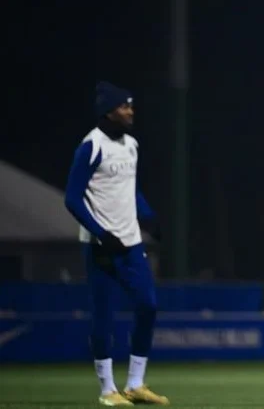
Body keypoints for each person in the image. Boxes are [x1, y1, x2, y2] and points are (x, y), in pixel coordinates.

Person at [64, 81, 168, 406]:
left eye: (130, 106)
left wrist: (149, 217)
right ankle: (108, 389)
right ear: (109, 112)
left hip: (132, 243)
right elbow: (72, 198)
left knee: (148, 306)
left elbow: (130, 188)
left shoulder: (131, 145)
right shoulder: (90, 147)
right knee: (104, 316)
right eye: (125, 106)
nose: (130, 111)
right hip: (102, 246)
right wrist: (100, 233)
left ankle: (135, 384)